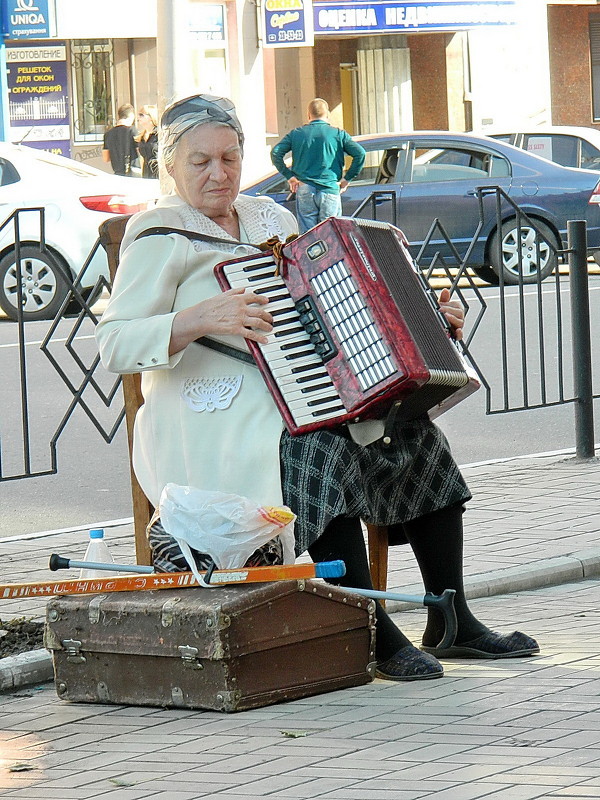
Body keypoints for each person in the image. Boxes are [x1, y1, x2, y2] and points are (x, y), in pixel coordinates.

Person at [96, 94, 539, 682]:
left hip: (299, 383)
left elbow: (325, 304)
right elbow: (115, 344)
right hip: (209, 411)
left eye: (229, 158)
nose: (218, 174)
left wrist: (423, 320)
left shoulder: (271, 219)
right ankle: (370, 630)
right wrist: (202, 318)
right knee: (321, 441)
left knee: (411, 429)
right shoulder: (158, 235)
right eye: (200, 161)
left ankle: (451, 617)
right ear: (171, 166)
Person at [271, 98, 366, 233]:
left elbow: (276, 153)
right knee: (330, 235)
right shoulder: (338, 134)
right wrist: (347, 179)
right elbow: (360, 154)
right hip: (330, 189)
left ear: (309, 115)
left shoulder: (296, 134)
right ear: (327, 114)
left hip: (304, 188)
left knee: (308, 238)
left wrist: (290, 177)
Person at [102, 103, 140, 176]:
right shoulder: (132, 131)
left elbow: (105, 158)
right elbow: (140, 152)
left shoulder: (108, 134)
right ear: (131, 116)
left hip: (117, 173)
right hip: (133, 173)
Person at [135, 105, 159, 179]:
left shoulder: (159, 134)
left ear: (151, 117)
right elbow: (142, 159)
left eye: (141, 115)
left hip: (158, 175)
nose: (138, 117)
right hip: (146, 175)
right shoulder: (141, 137)